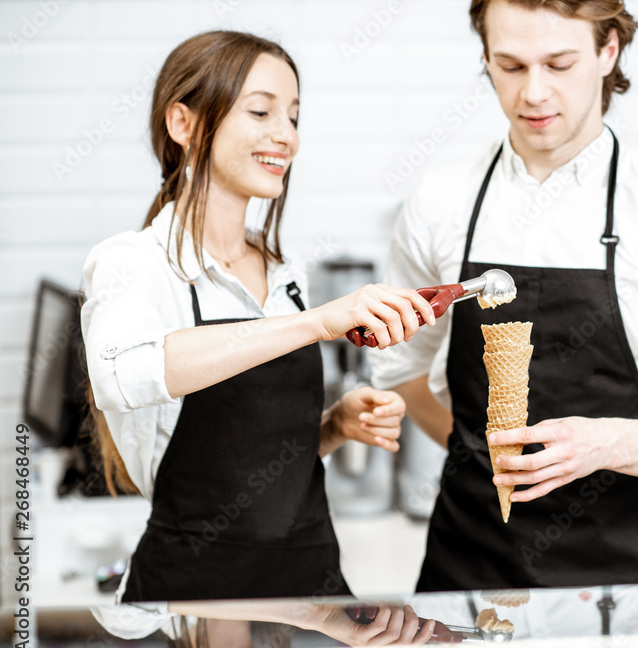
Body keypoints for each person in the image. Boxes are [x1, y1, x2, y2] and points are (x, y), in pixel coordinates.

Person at [370, 0, 638, 592]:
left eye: (559, 64)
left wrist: (602, 444)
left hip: (616, 589)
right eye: (510, 66)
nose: (533, 93)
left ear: (607, 52)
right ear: (486, 59)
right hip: (462, 579)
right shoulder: (440, 204)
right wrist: (481, 451)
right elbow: (402, 369)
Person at [82, 30, 436, 608]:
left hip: (313, 590)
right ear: (184, 124)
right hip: (194, 600)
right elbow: (121, 376)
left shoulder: (280, 269)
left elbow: (259, 464)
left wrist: (331, 427)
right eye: (261, 111)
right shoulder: (134, 263)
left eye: (293, 116)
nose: (286, 136)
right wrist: (318, 322)